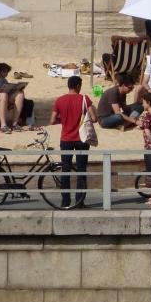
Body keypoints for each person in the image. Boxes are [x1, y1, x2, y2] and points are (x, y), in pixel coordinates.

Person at [50, 75, 97, 209]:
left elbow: (52, 120)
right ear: (78, 86)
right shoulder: (84, 99)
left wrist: (63, 120)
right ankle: (79, 201)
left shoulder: (60, 100)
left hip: (66, 139)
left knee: (66, 170)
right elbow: (94, 118)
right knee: (81, 169)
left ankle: (65, 202)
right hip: (82, 139)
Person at [0, 63, 27, 133]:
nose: (5, 73)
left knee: (20, 93)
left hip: (6, 97)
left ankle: (15, 123)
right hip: (1, 98)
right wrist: (3, 89)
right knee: (4, 95)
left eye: (6, 72)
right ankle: (4, 125)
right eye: (4, 71)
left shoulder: (4, 80)